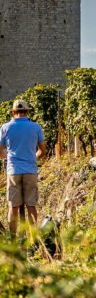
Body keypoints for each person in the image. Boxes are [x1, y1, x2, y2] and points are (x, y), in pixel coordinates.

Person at [0, 100, 46, 235]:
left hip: (13, 171)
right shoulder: (35, 127)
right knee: (31, 205)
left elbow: (0, 150)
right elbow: (42, 150)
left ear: (13, 112)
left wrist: (8, 158)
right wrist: (33, 158)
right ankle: (33, 240)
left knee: (13, 207)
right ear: (27, 111)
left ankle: (13, 240)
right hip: (30, 170)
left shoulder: (5, 127)